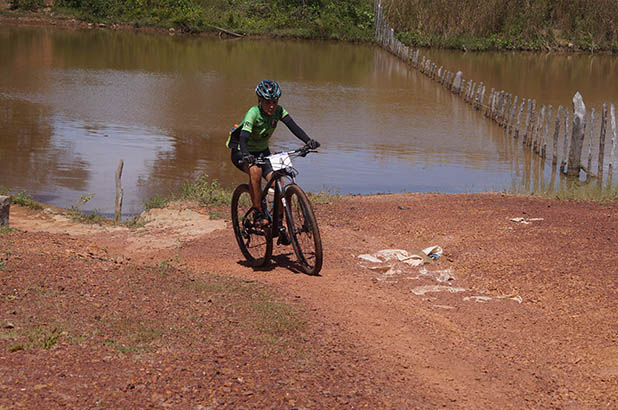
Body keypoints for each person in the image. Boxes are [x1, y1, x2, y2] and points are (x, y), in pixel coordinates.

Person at [227, 79, 320, 229]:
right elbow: (243, 137)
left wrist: (308, 141)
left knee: (279, 181)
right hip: (242, 150)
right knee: (255, 171)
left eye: (274, 102)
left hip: (263, 152)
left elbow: (293, 126)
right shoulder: (253, 113)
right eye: (267, 102)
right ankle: (257, 213)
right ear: (260, 101)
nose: (271, 106)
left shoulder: (279, 111)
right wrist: (246, 155)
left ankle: (279, 223)